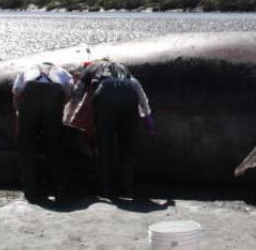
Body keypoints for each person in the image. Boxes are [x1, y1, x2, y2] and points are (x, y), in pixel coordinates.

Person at [74, 58, 152, 198]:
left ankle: (105, 189)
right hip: (129, 92)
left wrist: (72, 111)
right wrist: (147, 115)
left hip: (106, 93)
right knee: (127, 145)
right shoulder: (123, 68)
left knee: (104, 145)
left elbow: (78, 90)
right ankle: (125, 188)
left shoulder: (92, 67)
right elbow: (137, 87)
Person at [11, 61, 74, 201]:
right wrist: (57, 107)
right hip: (54, 98)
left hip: (30, 99)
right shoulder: (62, 72)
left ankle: (30, 189)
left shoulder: (27, 69)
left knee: (26, 145)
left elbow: (16, 92)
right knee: (54, 144)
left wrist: (19, 114)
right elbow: (70, 92)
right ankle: (60, 188)